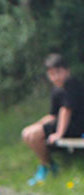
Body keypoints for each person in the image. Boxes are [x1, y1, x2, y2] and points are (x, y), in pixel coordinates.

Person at [21, 53, 84, 186]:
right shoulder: (56, 90)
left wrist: (59, 134)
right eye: (51, 74)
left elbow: (66, 111)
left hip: (75, 127)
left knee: (34, 135)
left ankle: (47, 166)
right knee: (27, 133)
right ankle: (48, 165)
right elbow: (53, 115)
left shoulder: (72, 85)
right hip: (63, 125)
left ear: (67, 71)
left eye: (58, 72)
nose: (55, 77)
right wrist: (37, 124)